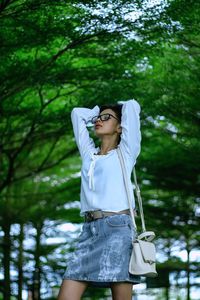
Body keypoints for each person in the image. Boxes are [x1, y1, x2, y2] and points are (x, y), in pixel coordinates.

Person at [58, 99, 141, 300]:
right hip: (89, 231)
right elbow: (77, 113)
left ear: (120, 127)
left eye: (106, 118)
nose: (99, 120)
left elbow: (132, 106)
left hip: (118, 229)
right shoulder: (89, 154)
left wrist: (117, 106)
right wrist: (98, 110)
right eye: (97, 118)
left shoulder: (126, 152)